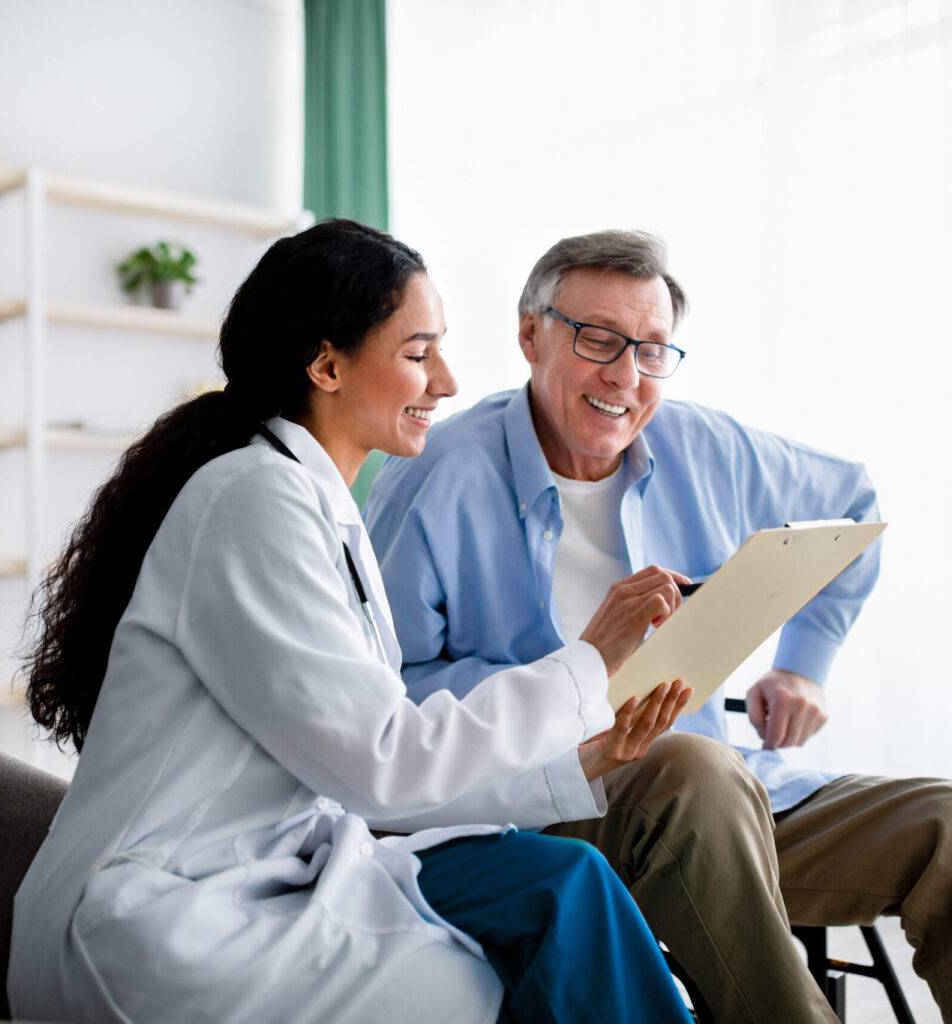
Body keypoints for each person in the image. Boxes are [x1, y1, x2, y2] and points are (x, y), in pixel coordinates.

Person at [6, 220, 696, 1024]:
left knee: (564, 892)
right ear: (327, 363)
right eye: (418, 353)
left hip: (271, 872)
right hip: (153, 914)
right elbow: (383, 766)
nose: (446, 380)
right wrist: (587, 663)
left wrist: (578, 762)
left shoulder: (317, 508)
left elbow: (368, 772)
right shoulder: (252, 502)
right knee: (505, 965)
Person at [364, 228, 952, 1024]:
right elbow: (385, 699)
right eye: (598, 339)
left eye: (651, 351)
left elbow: (854, 504)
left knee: (943, 823)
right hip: (552, 805)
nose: (625, 376)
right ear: (530, 335)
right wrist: (577, 678)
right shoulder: (435, 477)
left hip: (734, 802)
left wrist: (803, 664)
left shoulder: (706, 445)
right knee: (693, 770)